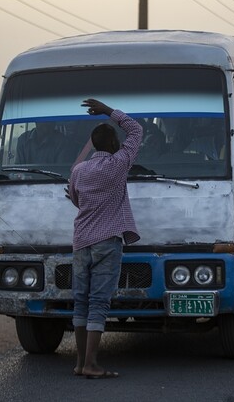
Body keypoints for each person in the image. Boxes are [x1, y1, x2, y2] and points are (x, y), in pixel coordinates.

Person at [67, 98, 143, 379]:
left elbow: (76, 200)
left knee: (80, 302)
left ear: (94, 144)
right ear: (112, 144)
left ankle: (78, 362)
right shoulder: (119, 164)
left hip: (81, 240)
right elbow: (135, 131)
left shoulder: (78, 171)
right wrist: (109, 111)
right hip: (107, 242)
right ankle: (91, 364)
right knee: (99, 303)